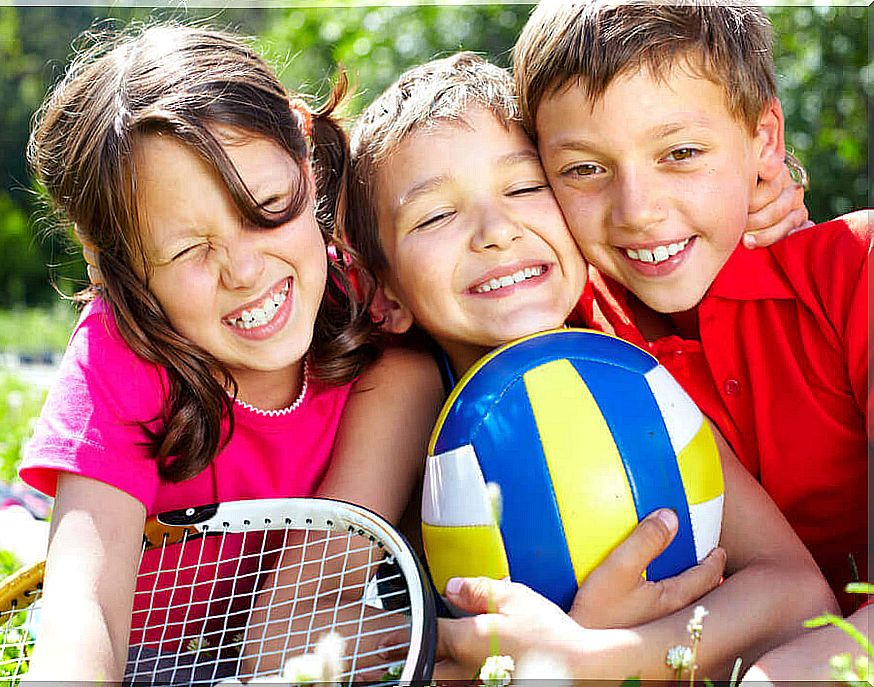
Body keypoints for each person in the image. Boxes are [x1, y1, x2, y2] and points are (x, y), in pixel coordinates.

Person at [343, 51, 836, 681]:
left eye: (525, 187)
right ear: (382, 291)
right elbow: (290, 630)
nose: (496, 231)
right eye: (436, 215)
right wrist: (480, 645)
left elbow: (799, 590)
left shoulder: (628, 372)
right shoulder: (408, 389)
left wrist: (596, 656)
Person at [18, 23, 442, 682]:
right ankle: (4, 513)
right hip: (149, 656)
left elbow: (290, 635)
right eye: (189, 249)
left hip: (279, 625)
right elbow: (85, 608)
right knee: (47, 547)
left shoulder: (380, 324)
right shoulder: (122, 351)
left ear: (304, 152)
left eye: (267, 205)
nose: (243, 270)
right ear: (117, 266)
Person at [513, 0, 870, 681]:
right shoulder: (570, 337)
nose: (638, 210)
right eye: (585, 169)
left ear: (765, 140)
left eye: (681, 153)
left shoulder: (855, 272)